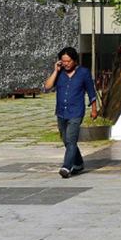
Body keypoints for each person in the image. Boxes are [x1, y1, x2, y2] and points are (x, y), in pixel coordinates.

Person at [44, 46, 98, 178]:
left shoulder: (83, 73)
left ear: (74, 60)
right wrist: (56, 71)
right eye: (63, 61)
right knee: (66, 140)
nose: (66, 64)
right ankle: (79, 164)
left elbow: (91, 92)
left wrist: (94, 109)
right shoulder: (59, 72)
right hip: (61, 111)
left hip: (76, 111)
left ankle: (66, 167)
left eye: (68, 61)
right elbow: (48, 86)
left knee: (71, 139)